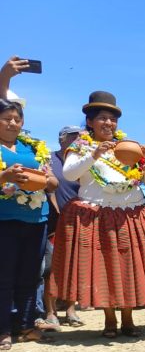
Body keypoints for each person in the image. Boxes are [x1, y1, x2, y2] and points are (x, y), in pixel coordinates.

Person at [50, 91, 145, 338]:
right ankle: (109, 319)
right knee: (105, 267)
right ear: (90, 122)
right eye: (102, 118)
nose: (108, 123)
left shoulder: (127, 147)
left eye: (112, 119)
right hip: (97, 213)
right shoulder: (81, 147)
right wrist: (94, 154)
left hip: (129, 212)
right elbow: (69, 174)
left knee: (129, 266)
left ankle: (128, 319)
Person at [0, 99, 58, 350]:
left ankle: (25, 326)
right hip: (5, 219)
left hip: (36, 219)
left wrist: (47, 181)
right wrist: (5, 176)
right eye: (6, 118)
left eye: (17, 118)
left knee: (30, 275)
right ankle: (3, 330)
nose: (13, 123)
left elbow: (53, 181)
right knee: (4, 276)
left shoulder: (33, 148)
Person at [41, 125, 83, 328]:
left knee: (74, 266)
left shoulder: (83, 160)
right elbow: (49, 191)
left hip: (80, 220)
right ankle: (50, 312)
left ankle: (71, 310)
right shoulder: (49, 159)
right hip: (55, 220)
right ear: (61, 139)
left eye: (80, 138)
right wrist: (58, 214)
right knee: (52, 267)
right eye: (73, 137)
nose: (77, 141)